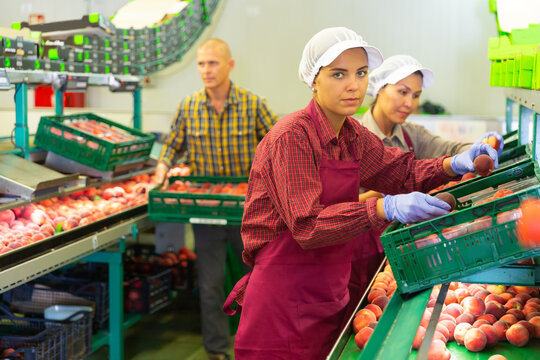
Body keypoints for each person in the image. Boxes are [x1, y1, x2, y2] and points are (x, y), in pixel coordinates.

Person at [223, 27, 499, 359]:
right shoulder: (292, 137)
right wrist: (385, 208)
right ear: (314, 80)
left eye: (361, 73)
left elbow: (401, 172)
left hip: (328, 292)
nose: (354, 85)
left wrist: (453, 163)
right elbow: (308, 226)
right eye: (339, 74)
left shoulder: (352, 135)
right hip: (283, 301)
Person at [154, 38, 279, 360]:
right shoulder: (189, 106)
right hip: (206, 212)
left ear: (229, 65)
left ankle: (254, 345)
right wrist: (160, 171)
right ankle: (217, 352)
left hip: (248, 213)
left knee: (255, 282)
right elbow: (171, 145)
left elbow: (281, 145)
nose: (206, 70)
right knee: (210, 287)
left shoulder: (254, 105)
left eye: (212, 63)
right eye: (201, 64)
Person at [347, 55, 505, 308]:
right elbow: (332, 205)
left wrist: (482, 147)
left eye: (416, 95)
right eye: (402, 92)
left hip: (399, 250)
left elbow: (450, 150)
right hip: (355, 250)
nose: (409, 103)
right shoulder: (352, 135)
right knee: (354, 306)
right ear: (380, 89)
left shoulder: (413, 135)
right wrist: (384, 201)